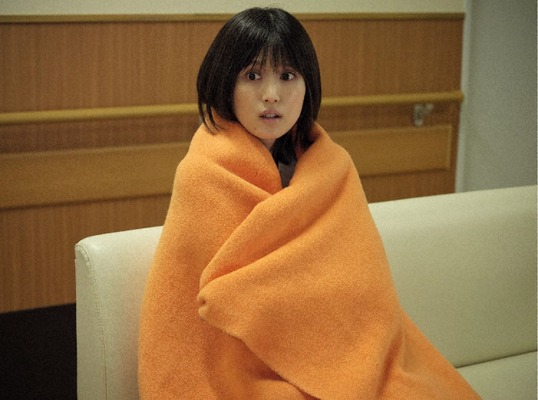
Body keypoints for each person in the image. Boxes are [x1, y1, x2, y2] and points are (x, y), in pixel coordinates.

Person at [138, 8, 480, 399]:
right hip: (236, 364)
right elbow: (192, 310)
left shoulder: (333, 168)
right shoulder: (203, 175)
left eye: (287, 76)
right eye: (252, 76)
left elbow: (365, 286)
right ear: (225, 83)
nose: (271, 94)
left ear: (307, 85)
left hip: (340, 352)